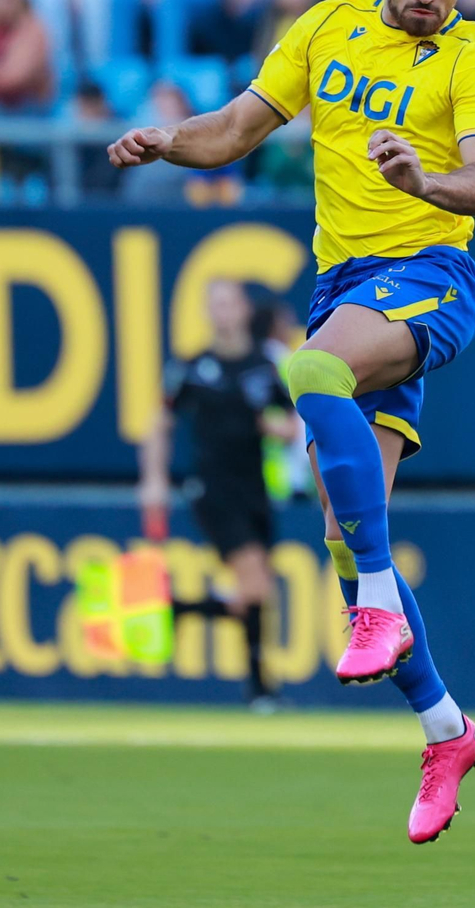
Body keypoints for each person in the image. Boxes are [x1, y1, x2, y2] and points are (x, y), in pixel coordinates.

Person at [107, 0, 475, 844]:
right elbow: (235, 130)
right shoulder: (323, 29)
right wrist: (169, 141)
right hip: (347, 291)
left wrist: (425, 180)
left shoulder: (470, 54)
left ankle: (377, 605)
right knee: (340, 528)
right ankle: (445, 730)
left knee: (311, 374)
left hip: (432, 276)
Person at [138, 280, 298, 711]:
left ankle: (181, 610)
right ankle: (260, 689)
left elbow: (291, 425)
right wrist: (153, 478)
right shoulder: (191, 367)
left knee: (256, 590)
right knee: (255, 584)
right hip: (212, 488)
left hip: (255, 489)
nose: (222, 313)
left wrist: (277, 428)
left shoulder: (266, 365)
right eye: (214, 305)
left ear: (244, 310)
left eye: (229, 303)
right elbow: (159, 423)